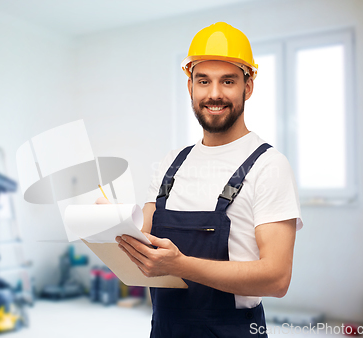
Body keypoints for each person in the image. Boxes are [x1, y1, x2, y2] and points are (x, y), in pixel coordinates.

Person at [115, 22, 303, 337]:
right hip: (164, 329)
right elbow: (143, 247)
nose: (214, 94)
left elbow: (277, 279)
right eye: (203, 80)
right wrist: (111, 225)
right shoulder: (168, 165)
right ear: (190, 86)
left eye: (227, 81)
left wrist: (180, 265)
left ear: (248, 87)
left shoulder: (269, 166)